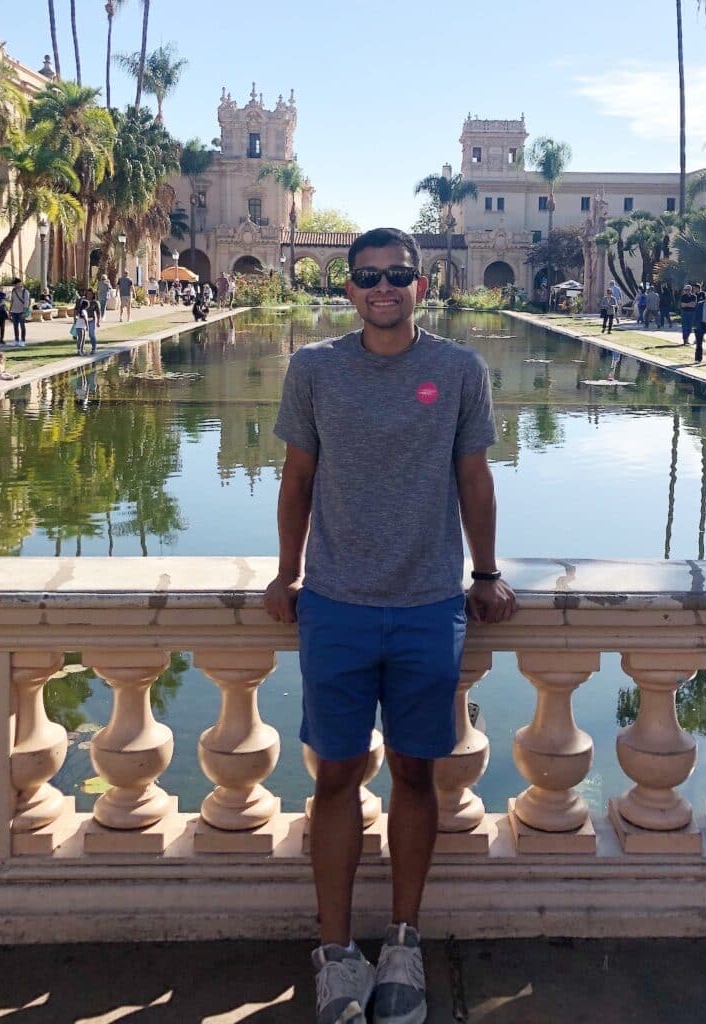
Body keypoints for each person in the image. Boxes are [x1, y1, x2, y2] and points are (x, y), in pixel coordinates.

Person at [264, 226, 515, 1024]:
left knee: (414, 774)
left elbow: (474, 477)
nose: (383, 288)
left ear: (421, 286)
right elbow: (297, 477)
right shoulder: (315, 368)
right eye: (369, 277)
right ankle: (336, 951)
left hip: (427, 604)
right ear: (348, 289)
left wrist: (485, 573)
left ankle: (404, 940)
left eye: (398, 275)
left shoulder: (459, 369)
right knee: (335, 775)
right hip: (336, 602)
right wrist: (288, 571)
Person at [8, 277, 30, 346]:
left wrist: (24, 312)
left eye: (15, 284)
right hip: (14, 311)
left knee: (22, 327)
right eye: (14, 284)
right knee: (15, 327)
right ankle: (16, 340)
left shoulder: (25, 291)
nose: (14, 285)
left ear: (20, 284)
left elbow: (26, 303)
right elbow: (12, 301)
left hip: (21, 312)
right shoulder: (13, 291)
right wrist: (10, 311)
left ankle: (23, 341)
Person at [84, 289, 102, 354]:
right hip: (83, 320)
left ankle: (94, 348)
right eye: (88, 294)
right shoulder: (83, 301)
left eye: (90, 294)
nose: (89, 296)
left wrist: (98, 321)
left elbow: (98, 313)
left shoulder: (95, 303)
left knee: (91, 334)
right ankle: (81, 349)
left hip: (91, 320)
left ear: (93, 295)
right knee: (82, 335)